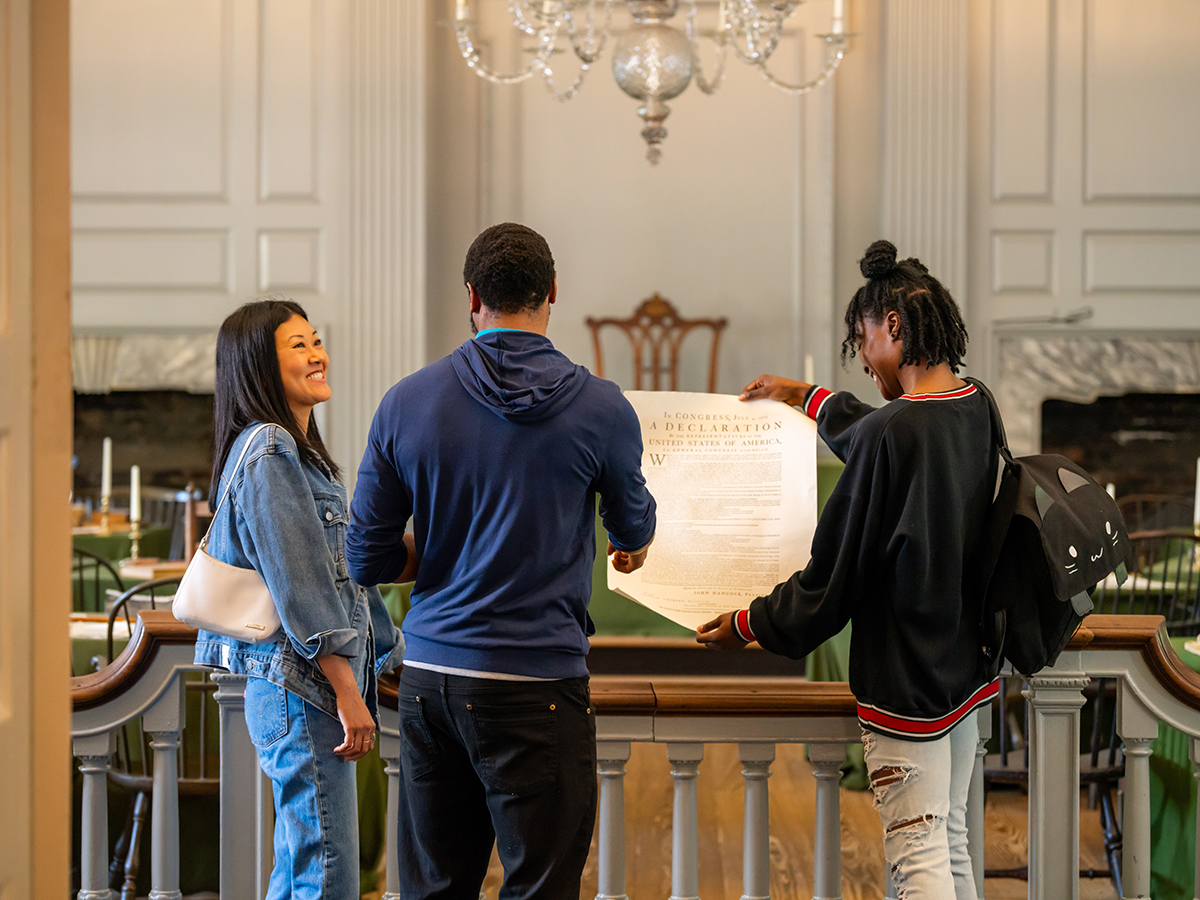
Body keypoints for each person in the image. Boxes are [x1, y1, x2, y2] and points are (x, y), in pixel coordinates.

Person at [346, 222, 656, 900]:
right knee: (541, 888)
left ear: (471, 296)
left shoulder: (406, 401)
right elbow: (633, 528)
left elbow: (365, 557)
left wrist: (446, 550)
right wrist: (628, 549)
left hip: (430, 681)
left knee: (434, 890)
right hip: (537, 680)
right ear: (552, 292)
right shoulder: (602, 407)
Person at [696, 240, 997, 900]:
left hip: (908, 680)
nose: (861, 357)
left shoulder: (896, 433)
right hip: (966, 673)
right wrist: (804, 395)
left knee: (917, 856)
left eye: (861, 340)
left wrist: (747, 622)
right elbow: (882, 437)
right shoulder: (977, 405)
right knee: (949, 841)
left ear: (892, 326)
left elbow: (829, 580)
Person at [194, 297, 407, 900]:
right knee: (327, 873)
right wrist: (347, 692)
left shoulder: (295, 450)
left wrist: (391, 651)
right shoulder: (269, 450)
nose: (317, 354)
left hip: (302, 687)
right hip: (304, 690)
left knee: (300, 867)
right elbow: (303, 587)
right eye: (298, 346)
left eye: (316, 340)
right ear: (260, 365)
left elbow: (350, 578)